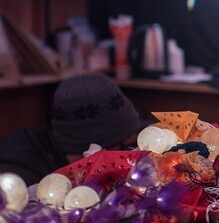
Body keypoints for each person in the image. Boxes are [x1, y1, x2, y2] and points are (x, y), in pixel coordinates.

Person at [0, 73, 141, 185]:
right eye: (127, 147)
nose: (130, 157)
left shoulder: (60, 150)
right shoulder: (24, 180)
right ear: (96, 148)